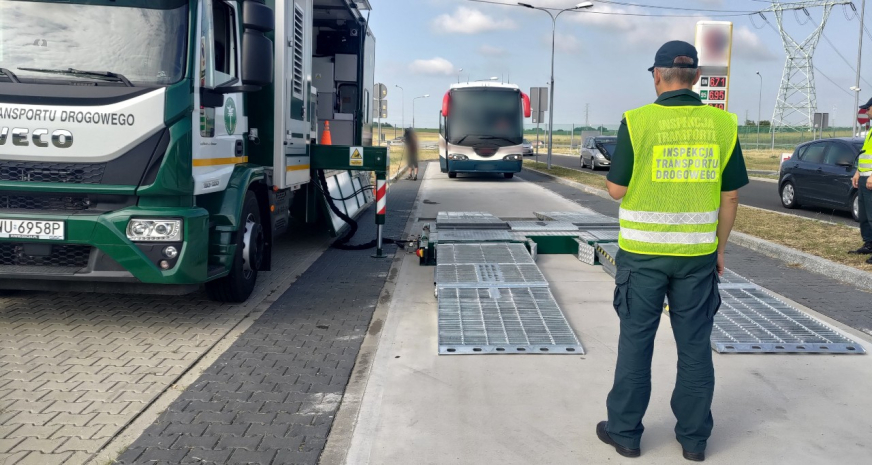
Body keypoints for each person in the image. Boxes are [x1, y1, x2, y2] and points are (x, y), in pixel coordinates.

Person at [596, 41, 749, 462]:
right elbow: (730, 198)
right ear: (697, 77)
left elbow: (617, 189)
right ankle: (695, 440)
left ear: (657, 76)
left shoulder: (637, 121)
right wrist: (719, 249)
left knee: (635, 343)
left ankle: (625, 433)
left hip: (642, 257)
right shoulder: (722, 125)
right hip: (697, 257)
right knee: (696, 346)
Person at [850, 130, 872, 261]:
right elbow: (865, 155)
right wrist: (858, 172)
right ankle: (869, 244)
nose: (866, 112)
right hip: (864, 177)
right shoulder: (870, 131)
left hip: (870, 177)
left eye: (868, 108)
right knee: (864, 214)